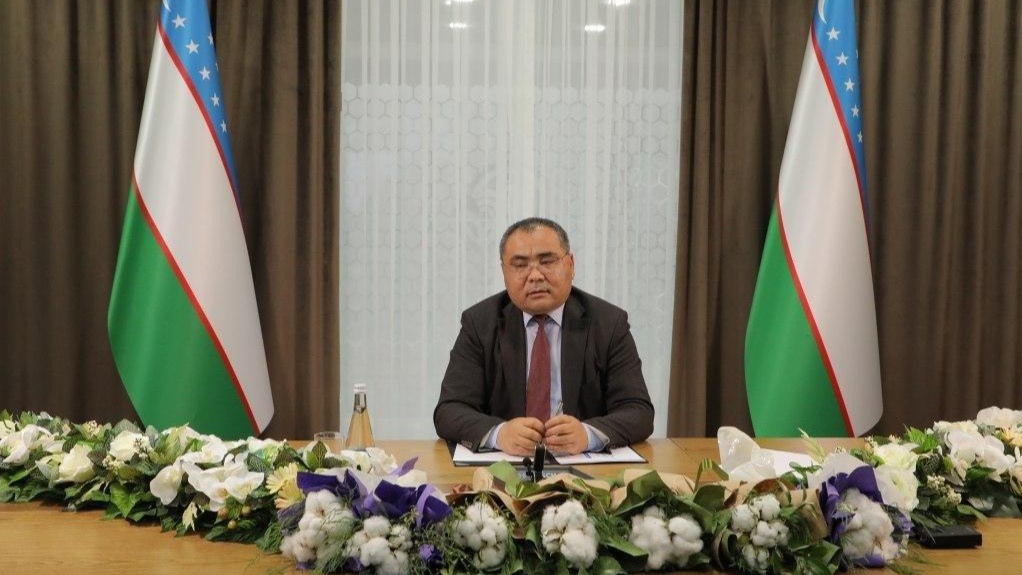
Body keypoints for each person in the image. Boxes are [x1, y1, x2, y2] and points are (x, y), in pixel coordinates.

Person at [433, 217, 654, 455]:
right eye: (520, 265)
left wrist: (587, 434)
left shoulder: (609, 323)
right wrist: (500, 434)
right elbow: (449, 411)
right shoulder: (479, 323)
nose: (535, 275)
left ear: (571, 265)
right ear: (504, 272)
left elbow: (638, 411)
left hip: (585, 468)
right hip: (503, 467)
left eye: (547, 261)